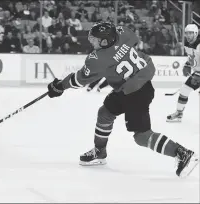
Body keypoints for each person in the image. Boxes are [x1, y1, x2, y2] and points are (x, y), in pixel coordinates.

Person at [46, 22, 199, 178]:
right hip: (133, 83)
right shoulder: (122, 33)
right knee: (105, 113)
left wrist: (59, 86)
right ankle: (100, 152)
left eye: (94, 39)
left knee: (141, 136)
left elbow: (79, 80)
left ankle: (181, 152)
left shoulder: (97, 59)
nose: (90, 40)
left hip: (135, 93)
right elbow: (132, 37)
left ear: (105, 41)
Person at [167, 24, 200, 122]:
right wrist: (187, 65)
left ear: (196, 33)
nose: (188, 35)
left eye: (191, 33)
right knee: (184, 90)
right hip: (198, 73)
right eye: (187, 33)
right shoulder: (187, 44)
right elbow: (191, 57)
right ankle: (179, 113)